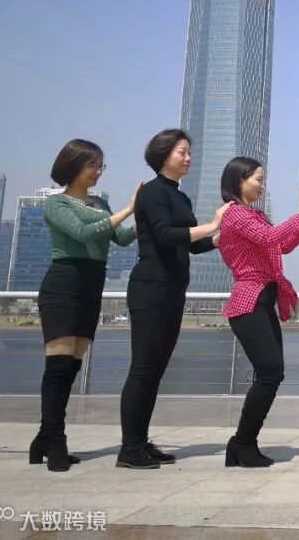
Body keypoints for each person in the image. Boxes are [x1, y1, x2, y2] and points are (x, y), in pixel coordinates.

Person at [116, 129, 230, 470]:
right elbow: (166, 237)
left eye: (189, 152)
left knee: (155, 370)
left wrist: (222, 236)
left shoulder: (180, 198)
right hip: (150, 288)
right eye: (182, 152)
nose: (188, 158)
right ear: (163, 154)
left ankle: (140, 442)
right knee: (142, 368)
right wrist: (213, 224)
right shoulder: (151, 193)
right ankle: (129, 448)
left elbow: (191, 244)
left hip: (173, 289)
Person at [34, 140, 138, 471]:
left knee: (72, 367)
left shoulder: (100, 203)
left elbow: (120, 238)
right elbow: (83, 233)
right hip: (64, 285)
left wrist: (145, 217)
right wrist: (128, 209)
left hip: (92, 286)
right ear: (73, 165)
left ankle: (42, 438)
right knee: (58, 366)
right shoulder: (57, 203)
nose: (97, 172)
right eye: (92, 165)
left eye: (100, 166)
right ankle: (56, 441)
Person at [217, 157, 299, 467]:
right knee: (270, 371)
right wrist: (298, 217)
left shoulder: (252, 215)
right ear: (239, 180)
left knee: (273, 372)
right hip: (249, 302)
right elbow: (271, 238)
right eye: (258, 179)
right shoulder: (235, 214)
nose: (262, 184)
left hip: (262, 301)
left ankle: (244, 443)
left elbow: (280, 246)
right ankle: (242, 443)